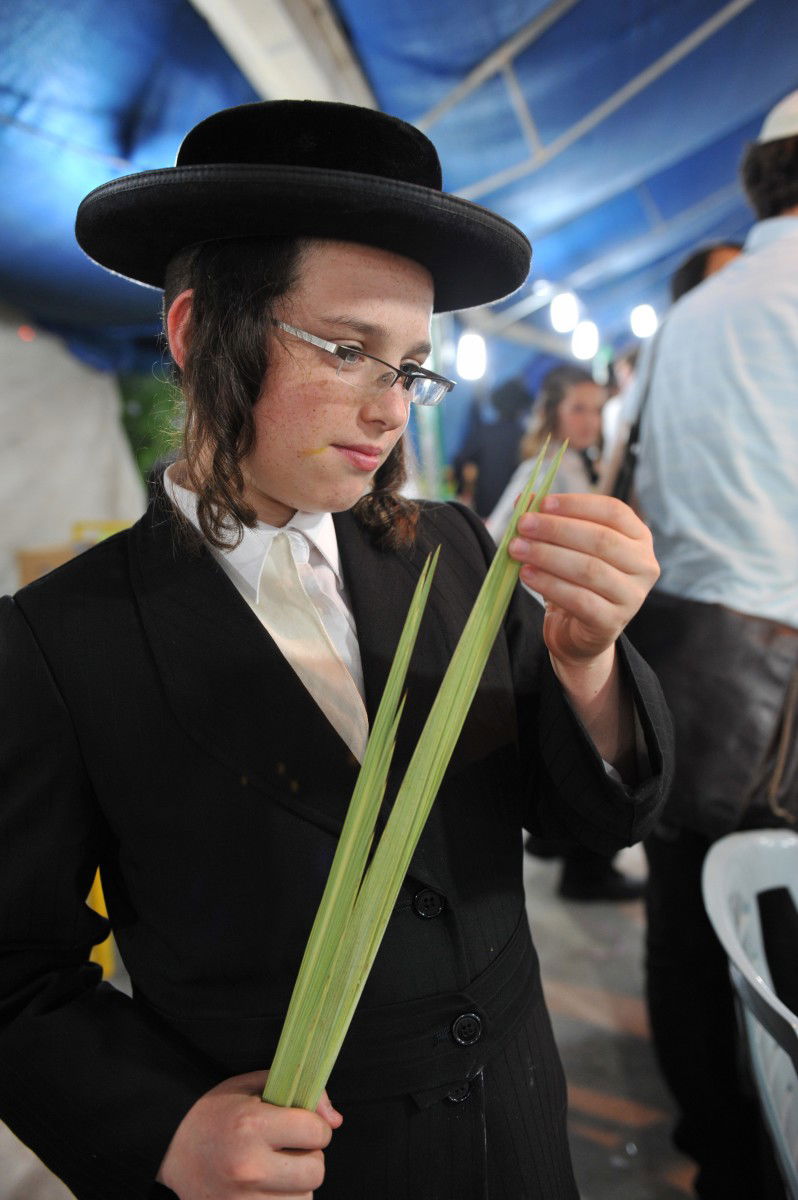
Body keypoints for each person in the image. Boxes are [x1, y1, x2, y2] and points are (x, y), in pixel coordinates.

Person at [0, 100, 673, 1200]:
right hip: (297, 1165)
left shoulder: (451, 551)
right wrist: (167, 1129)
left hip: (516, 1129)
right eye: (350, 350)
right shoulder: (63, 638)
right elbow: (14, 969)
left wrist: (589, 661)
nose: (390, 410)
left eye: (410, 367)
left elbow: (584, 820)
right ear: (197, 333)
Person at [625, 89, 798, 1199]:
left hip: (680, 654)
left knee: (687, 921)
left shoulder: (691, 313)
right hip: (786, 672)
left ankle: (722, 1153)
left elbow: (635, 473)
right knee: (784, 929)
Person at [488, 365, 644, 903]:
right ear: (554, 412)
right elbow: (495, 540)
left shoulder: (580, 464)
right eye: (578, 408)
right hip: (545, 628)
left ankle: (557, 842)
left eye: (597, 409)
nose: (590, 420)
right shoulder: (545, 469)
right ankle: (586, 871)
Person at [452, 377, 533, 517]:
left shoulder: (485, 432)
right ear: (522, 408)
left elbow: (459, 460)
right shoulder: (527, 438)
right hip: (514, 511)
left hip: (484, 511)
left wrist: (461, 490)